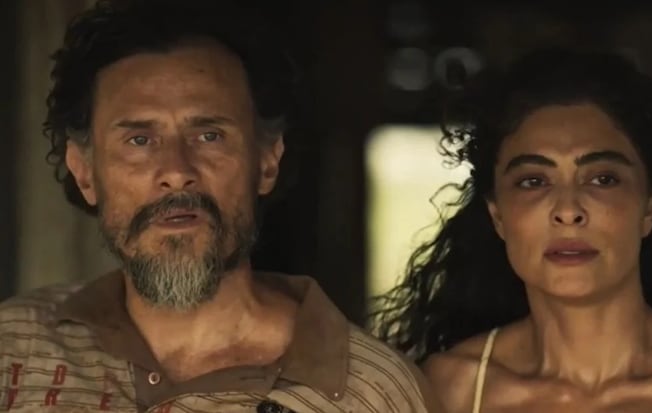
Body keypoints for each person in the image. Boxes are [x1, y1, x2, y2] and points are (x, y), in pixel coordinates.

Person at [0, 1, 442, 412]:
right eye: (139, 140)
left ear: (267, 161)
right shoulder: (14, 348)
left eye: (209, 136)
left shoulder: (374, 394)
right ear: (84, 172)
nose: (176, 171)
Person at [373, 48, 652, 413]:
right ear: (498, 215)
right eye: (533, 181)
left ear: (649, 208)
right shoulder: (448, 393)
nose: (568, 211)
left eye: (602, 179)